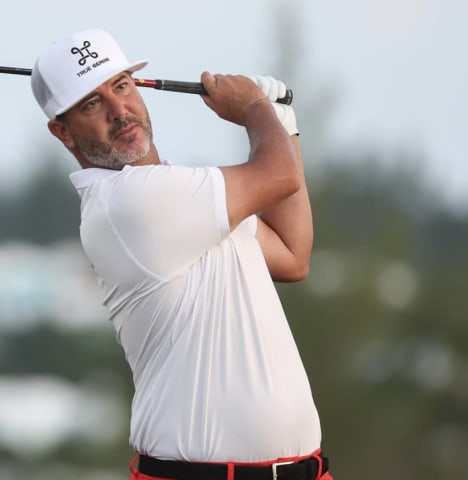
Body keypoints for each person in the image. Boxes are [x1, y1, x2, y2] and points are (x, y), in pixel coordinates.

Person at [31, 28, 332, 480]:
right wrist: (254, 109)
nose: (119, 110)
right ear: (63, 132)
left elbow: (292, 254)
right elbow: (279, 174)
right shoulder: (130, 202)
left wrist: (280, 119)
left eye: (121, 85)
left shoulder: (186, 194)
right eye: (92, 104)